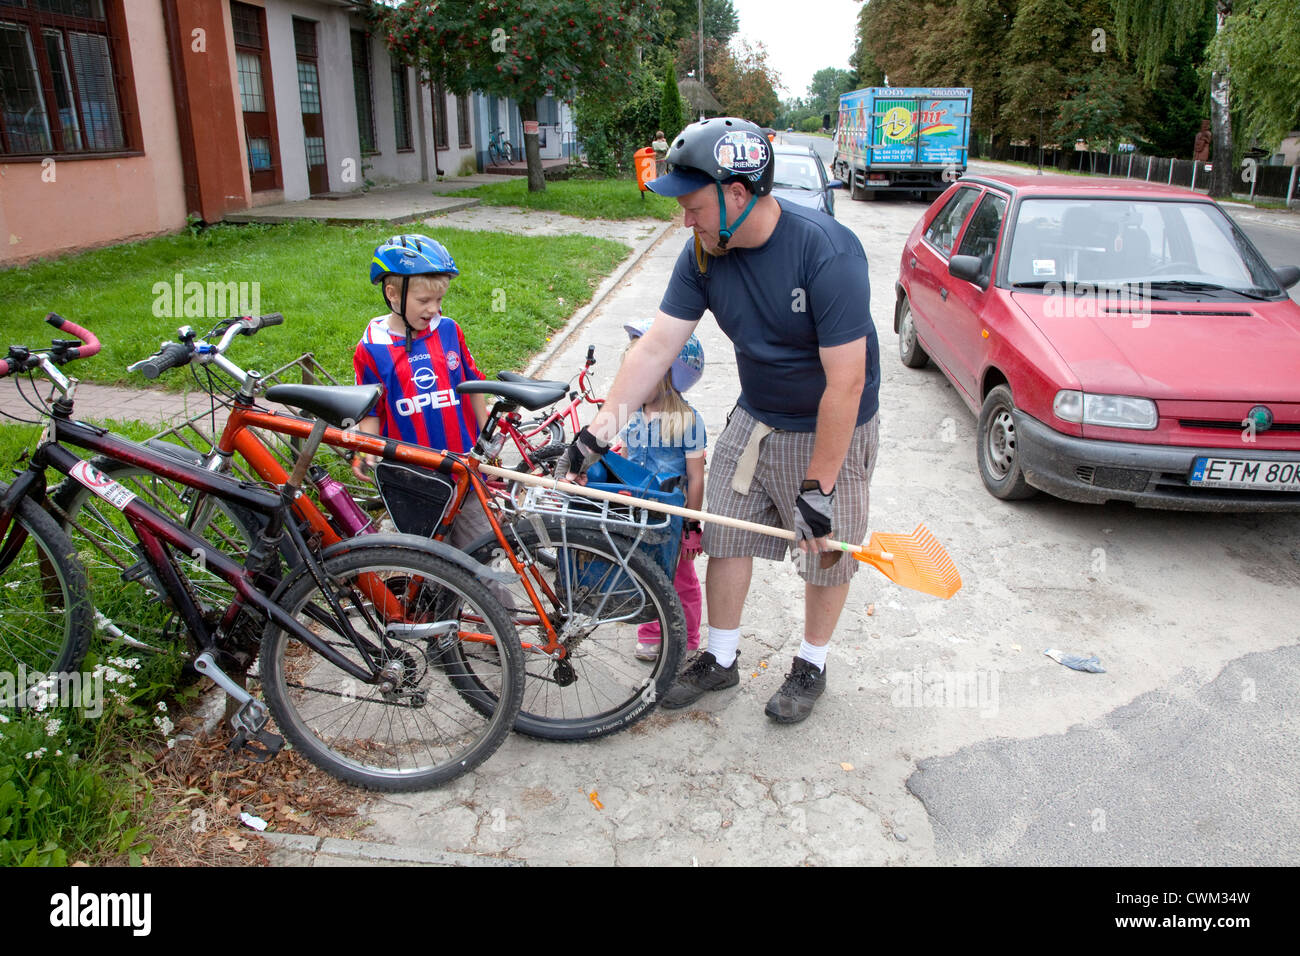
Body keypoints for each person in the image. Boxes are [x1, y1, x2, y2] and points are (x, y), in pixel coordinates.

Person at [564, 117, 881, 724]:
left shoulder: (826, 251)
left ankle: (811, 663)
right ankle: (721, 656)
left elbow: (847, 381)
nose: (686, 221)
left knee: (825, 551)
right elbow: (656, 347)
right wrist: (598, 430)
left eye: (693, 205)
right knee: (725, 534)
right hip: (756, 416)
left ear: (738, 193)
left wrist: (820, 485)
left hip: (830, 425)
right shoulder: (705, 256)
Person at [353, 233, 492, 548]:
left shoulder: (448, 331)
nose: (433, 309)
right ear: (392, 294)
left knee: (484, 556)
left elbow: (472, 385)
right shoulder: (372, 349)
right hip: (414, 483)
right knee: (431, 568)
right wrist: (367, 451)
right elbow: (371, 409)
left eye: (439, 300)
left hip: (464, 474)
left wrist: (486, 436)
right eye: (424, 301)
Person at [616, 318, 707, 661]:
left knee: (680, 580)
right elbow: (626, 461)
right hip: (637, 513)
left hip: (671, 517)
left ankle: (689, 637)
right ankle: (652, 631)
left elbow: (696, 478)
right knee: (644, 574)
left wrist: (692, 526)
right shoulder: (632, 416)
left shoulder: (687, 420)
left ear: (667, 374)